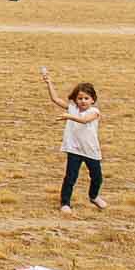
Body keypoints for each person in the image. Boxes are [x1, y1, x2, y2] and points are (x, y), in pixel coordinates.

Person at [43, 68, 104, 213]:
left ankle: (94, 196)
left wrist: (68, 117)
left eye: (86, 98)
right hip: (74, 149)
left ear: (93, 99)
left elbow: (84, 121)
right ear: (75, 99)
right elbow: (55, 99)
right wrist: (49, 82)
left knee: (97, 177)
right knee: (70, 177)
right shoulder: (72, 108)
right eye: (80, 98)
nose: (83, 101)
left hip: (90, 150)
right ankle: (65, 203)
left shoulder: (94, 112)